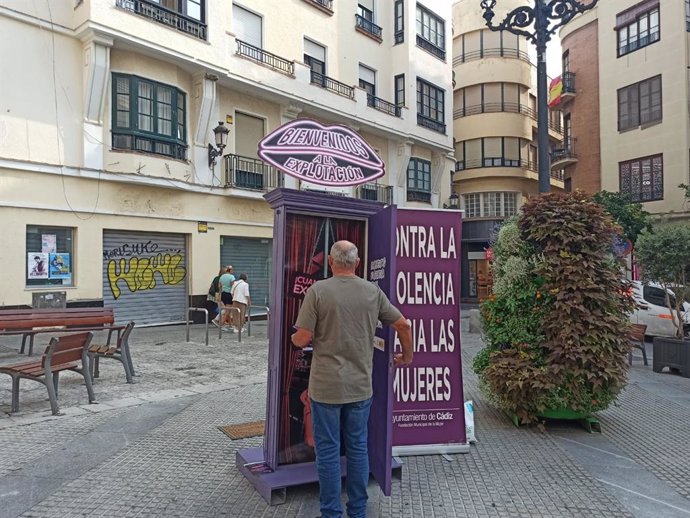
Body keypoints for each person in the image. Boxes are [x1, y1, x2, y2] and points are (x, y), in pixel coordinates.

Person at [291, 240, 413, 518]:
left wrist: (292, 338)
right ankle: (358, 511)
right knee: (358, 448)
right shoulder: (373, 292)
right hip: (360, 388)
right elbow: (403, 324)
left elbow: (303, 338)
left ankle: (331, 513)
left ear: (331, 263)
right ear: (357, 263)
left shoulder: (317, 291)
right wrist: (407, 357)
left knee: (328, 451)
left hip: (325, 389)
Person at [218, 265, 236, 330]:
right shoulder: (232, 277)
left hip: (223, 294)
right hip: (229, 294)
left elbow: (219, 286)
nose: (233, 271)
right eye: (232, 270)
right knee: (228, 311)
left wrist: (220, 294)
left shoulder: (222, 276)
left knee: (227, 309)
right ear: (230, 270)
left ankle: (230, 324)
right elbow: (233, 286)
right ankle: (221, 325)